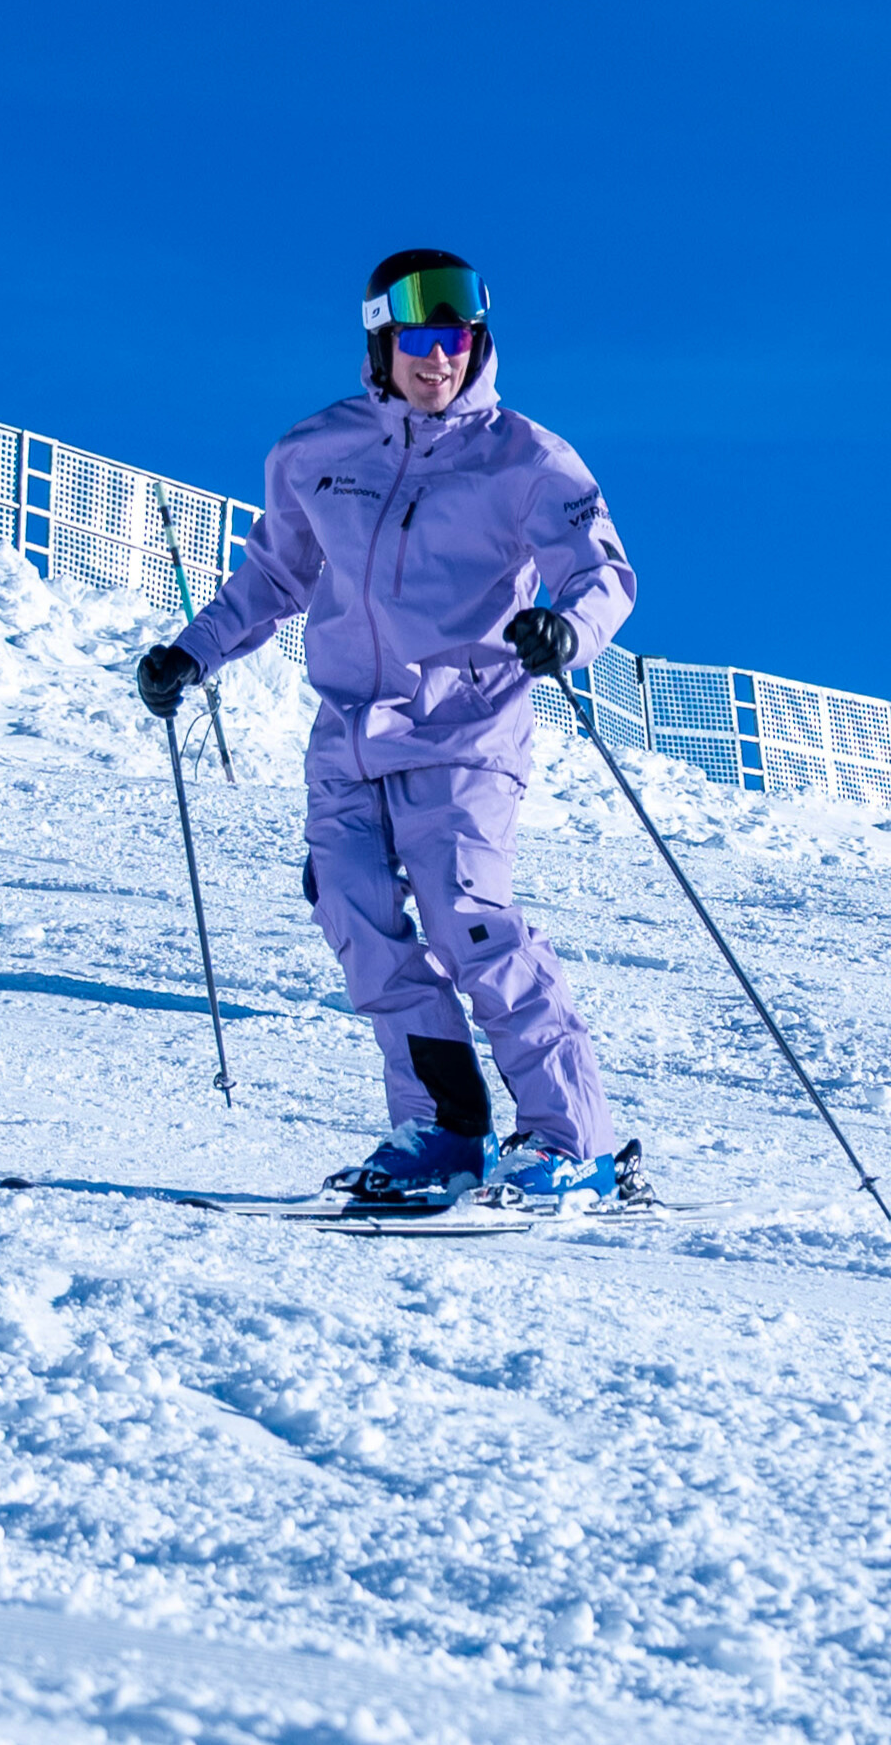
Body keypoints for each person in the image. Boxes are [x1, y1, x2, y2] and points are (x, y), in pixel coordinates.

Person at [134, 249, 638, 1212]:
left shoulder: (526, 458)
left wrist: (564, 630)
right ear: (382, 342)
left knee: (469, 919)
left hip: (464, 727)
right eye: (418, 340)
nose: (437, 361)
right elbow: (275, 579)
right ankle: (443, 1130)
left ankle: (573, 1140)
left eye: (455, 340)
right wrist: (192, 652)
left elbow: (601, 572)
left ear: (475, 343)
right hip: (347, 736)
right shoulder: (317, 453)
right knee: (359, 923)